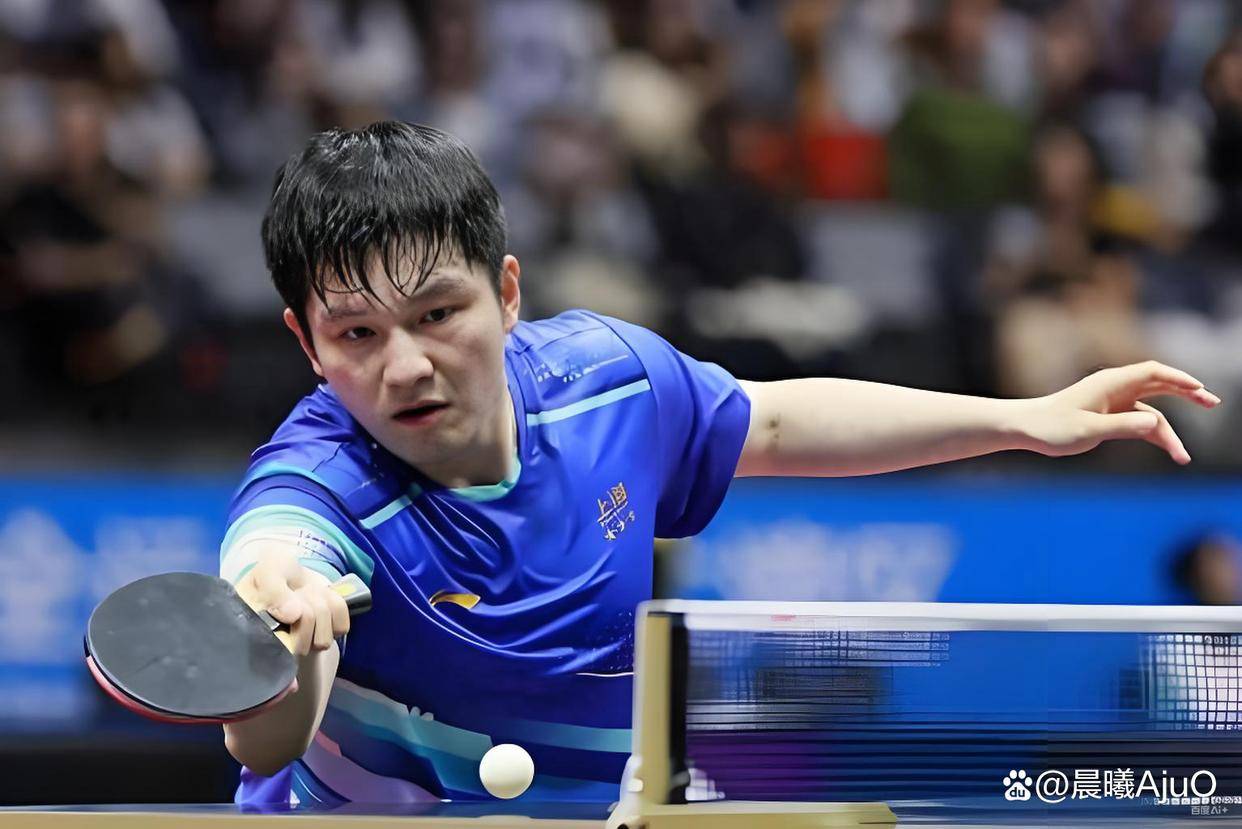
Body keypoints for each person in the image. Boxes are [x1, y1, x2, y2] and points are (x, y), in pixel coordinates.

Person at [220, 121, 1220, 806]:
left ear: (508, 293)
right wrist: (285, 630)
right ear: (307, 343)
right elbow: (265, 706)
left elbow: (773, 421)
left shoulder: (608, 382)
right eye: (356, 334)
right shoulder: (315, 489)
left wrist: (1024, 419)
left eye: (439, 313)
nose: (405, 364)